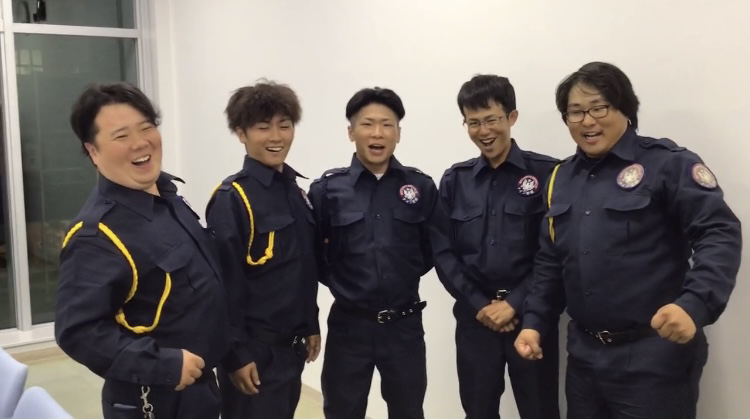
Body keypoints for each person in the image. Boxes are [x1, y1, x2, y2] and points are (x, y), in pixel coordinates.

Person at [514, 61, 742, 418]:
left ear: (625, 108)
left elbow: (719, 232)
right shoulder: (561, 178)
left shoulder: (667, 164)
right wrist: (534, 324)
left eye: (599, 108)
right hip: (584, 358)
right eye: (575, 112)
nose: (587, 121)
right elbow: (551, 262)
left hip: (654, 358)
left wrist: (695, 304)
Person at [55, 82, 229, 419]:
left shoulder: (169, 197)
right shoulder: (96, 236)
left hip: (201, 389)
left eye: (147, 128)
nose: (140, 143)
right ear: (93, 151)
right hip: (155, 399)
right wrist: (164, 364)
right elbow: (78, 332)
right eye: (121, 136)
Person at [434, 74, 560, 418]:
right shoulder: (455, 181)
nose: (484, 131)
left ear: (511, 117)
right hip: (476, 319)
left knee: (540, 410)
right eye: (473, 122)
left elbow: (554, 251)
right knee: (478, 411)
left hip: (532, 317)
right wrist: (481, 305)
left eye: (491, 119)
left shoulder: (549, 174)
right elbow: (443, 253)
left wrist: (514, 303)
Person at [308, 87, 435, 418]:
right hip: (350, 325)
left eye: (387, 124)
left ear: (398, 134)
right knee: (342, 411)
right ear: (351, 132)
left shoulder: (421, 188)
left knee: (409, 411)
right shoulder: (326, 191)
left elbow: (429, 252)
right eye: (367, 124)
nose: (377, 133)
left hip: (404, 326)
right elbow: (314, 259)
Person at [205, 81, 321, 418]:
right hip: (254, 354)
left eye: (284, 125)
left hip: (292, 350)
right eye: (263, 127)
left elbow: (302, 269)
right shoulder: (232, 199)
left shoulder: (295, 192)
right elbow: (223, 287)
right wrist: (235, 356)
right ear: (241, 133)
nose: (276, 137)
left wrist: (311, 323)